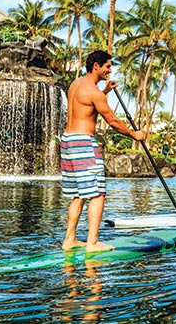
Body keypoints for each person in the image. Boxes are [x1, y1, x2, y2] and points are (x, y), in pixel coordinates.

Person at [60, 50, 144, 252]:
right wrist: (135, 135)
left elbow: (86, 106)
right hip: (84, 143)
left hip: (67, 141)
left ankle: (69, 239)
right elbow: (113, 121)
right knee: (97, 193)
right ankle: (93, 242)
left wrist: (105, 91)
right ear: (96, 66)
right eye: (107, 66)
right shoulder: (94, 93)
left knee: (78, 194)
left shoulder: (76, 84)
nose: (110, 70)